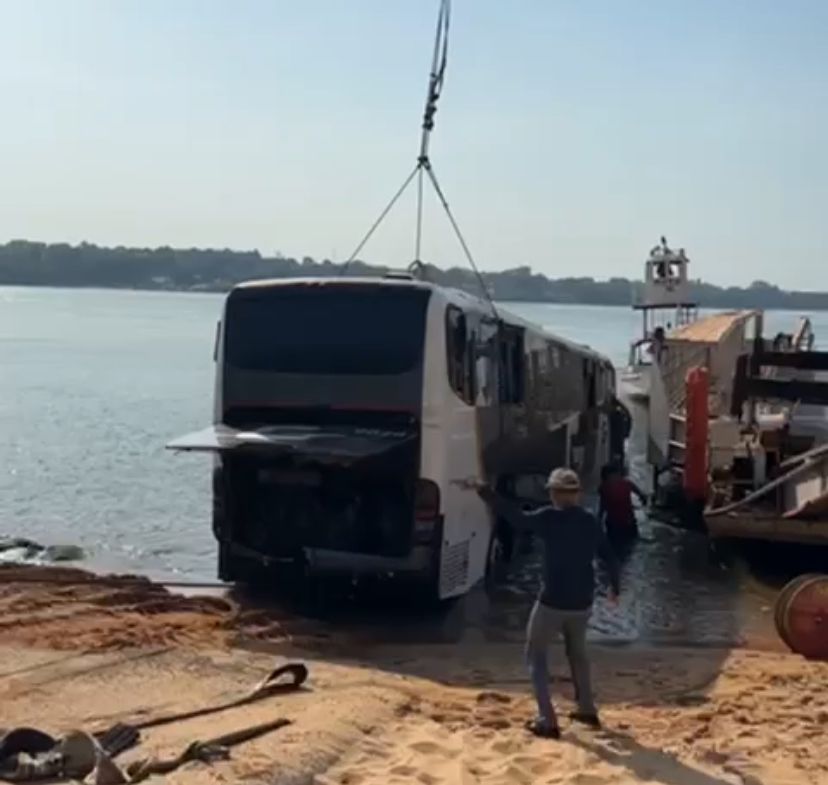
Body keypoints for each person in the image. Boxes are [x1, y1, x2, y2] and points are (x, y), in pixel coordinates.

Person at [478, 468, 620, 739]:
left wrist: (486, 493)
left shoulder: (548, 518)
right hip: (583, 601)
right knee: (578, 653)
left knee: (535, 655)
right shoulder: (590, 521)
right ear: (577, 494)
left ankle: (547, 719)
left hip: (552, 600)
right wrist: (615, 588)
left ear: (554, 494)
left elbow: (517, 519)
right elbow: (610, 557)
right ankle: (587, 709)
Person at [598, 462, 647, 552]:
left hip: (624, 522)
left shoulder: (624, 484)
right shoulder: (606, 488)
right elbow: (602, 506)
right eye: (613, 475)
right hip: (617, 523)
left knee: (624, 546)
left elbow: (638, 491)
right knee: (624, 547)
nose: (615, 478)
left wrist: (642, 498)